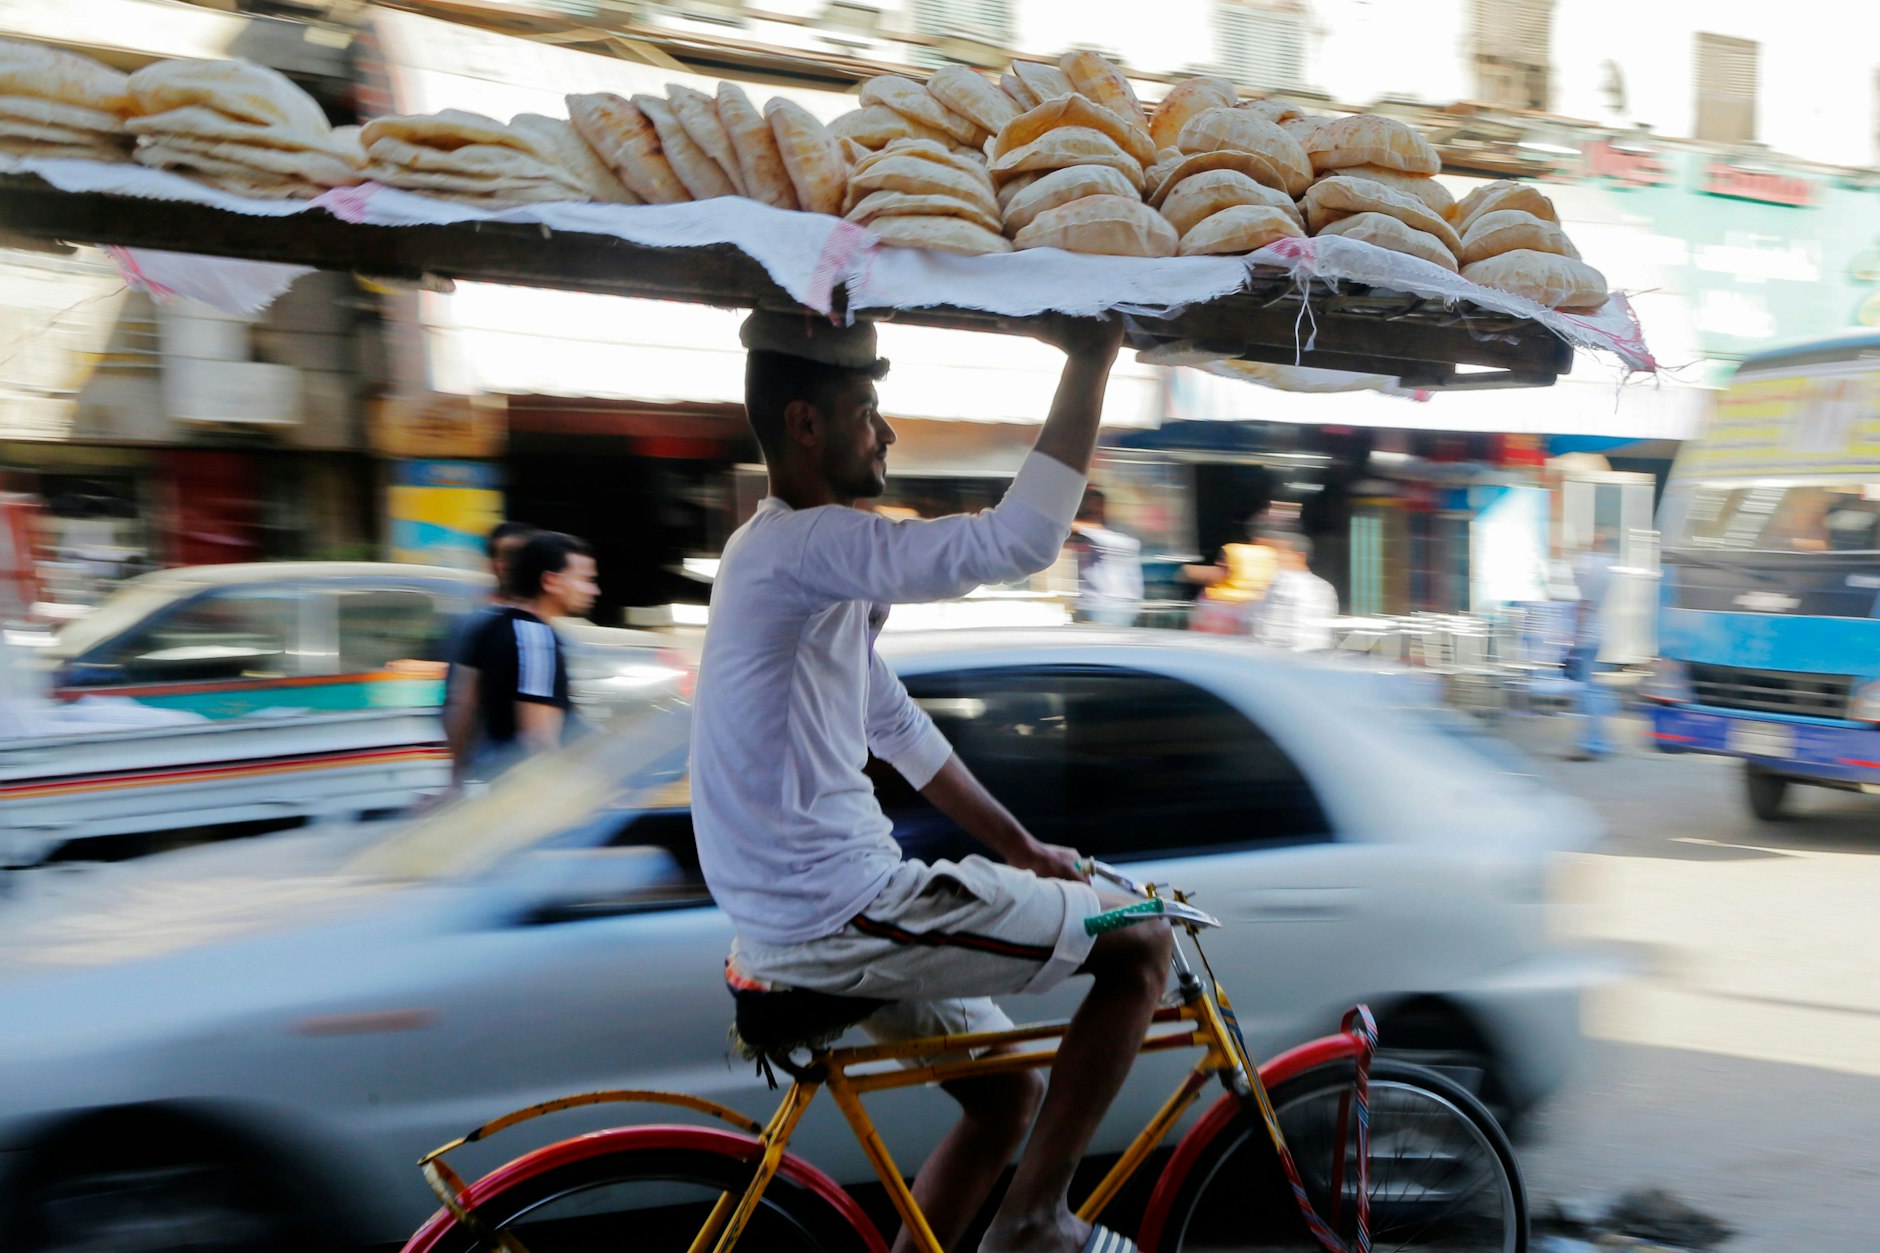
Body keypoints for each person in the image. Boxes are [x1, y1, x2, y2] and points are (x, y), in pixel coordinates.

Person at [692, 310, 1167, 1253]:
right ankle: (1034, 1220)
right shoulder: (805, 545)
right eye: (867, 408)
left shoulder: (785, 560)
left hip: (809, 910)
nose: (888, 430)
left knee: (1004, 1094)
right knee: (1142, 938)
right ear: (806, 425)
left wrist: (1024, 850)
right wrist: (1090, 358)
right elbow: (1021, 541)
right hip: (836, 910)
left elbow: (892, 722)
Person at [458, 530, 597, 778]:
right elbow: (538, 738)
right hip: (523, 791)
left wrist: (455, 778)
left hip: (492, 781)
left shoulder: (489, 626)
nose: (593, 590)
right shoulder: (536, 638)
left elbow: (461, 708)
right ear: (550, 581)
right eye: (585, 579)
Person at [441, 521, 538, 792]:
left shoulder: (543, 623)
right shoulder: (476, 625)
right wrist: (456, 774)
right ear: (493, 563)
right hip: (496, 766)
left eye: (523, 556)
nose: (513, 564)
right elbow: (461, 702)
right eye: (506, 556)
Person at [1566, 531, 1620, 761]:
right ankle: (1598, 740)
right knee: (1594, 689)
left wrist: (1575, 639)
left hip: (1588, 636)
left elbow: (1583, 604)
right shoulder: (1609, 566)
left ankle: (1593, 742)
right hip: (1599, 633)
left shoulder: (1591, 567)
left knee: (1587, 693)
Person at [1250, 532, 1339, 651]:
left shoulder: (1281, 583)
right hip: (1312, 658)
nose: (1276, 557)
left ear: (1299, 556)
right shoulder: (1325, 587)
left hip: (1279, 657)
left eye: (1282, 552)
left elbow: (1270, 631)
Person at [1068, 487, 1143, 627]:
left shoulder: (1116, 536)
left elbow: (1072, 526)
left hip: (1110, 606)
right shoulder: (1091, 534)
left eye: (1094, 504)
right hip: (1093, 604)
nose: (1091, 509)